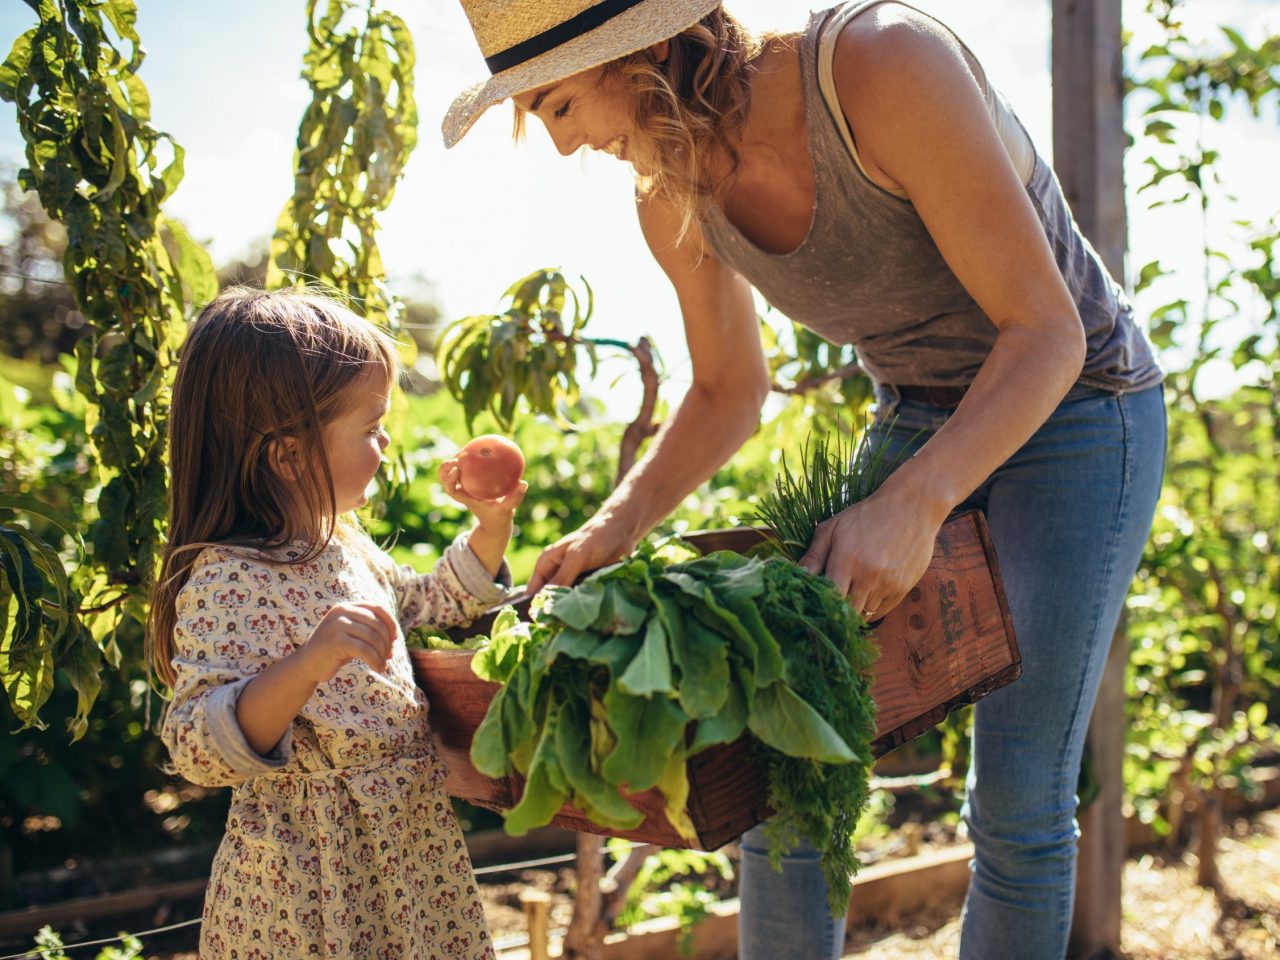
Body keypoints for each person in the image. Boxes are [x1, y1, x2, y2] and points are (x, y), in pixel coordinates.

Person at [444, 1, 1166, 957]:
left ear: (646, 45)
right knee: (786, 763)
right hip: (917, 409)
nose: (568, 145)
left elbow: (1049, 336)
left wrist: (912, 501)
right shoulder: (668, 190)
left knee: (1019, 796)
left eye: (560, 104)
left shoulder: (882, 68)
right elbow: (728, 389)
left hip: (1081, 408)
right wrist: (611, 528)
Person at [149, 288, 525, 959]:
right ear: (289, 456)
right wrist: (308, 664)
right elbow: (195, 744)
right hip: (312, 876)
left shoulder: (343, 546)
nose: (386, 444)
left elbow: (425, 606)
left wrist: (489, 531)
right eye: (370, 428)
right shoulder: (229, 577)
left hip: (408, 851)